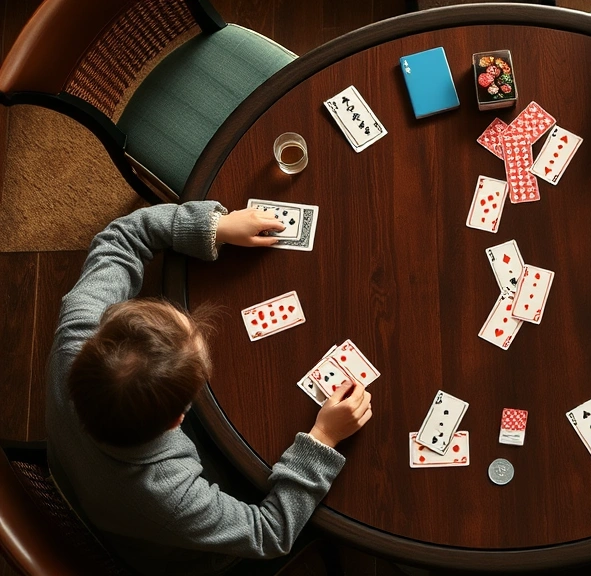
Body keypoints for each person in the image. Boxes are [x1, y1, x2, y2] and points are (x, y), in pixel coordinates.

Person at [46, 202, 373, 575]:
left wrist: (216, 227)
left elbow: (124, 234)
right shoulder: (166, 492)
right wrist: (323, 439)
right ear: (179, 420)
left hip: (80, 473)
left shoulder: (78, 331)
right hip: (177, 554)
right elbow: (269, 533)